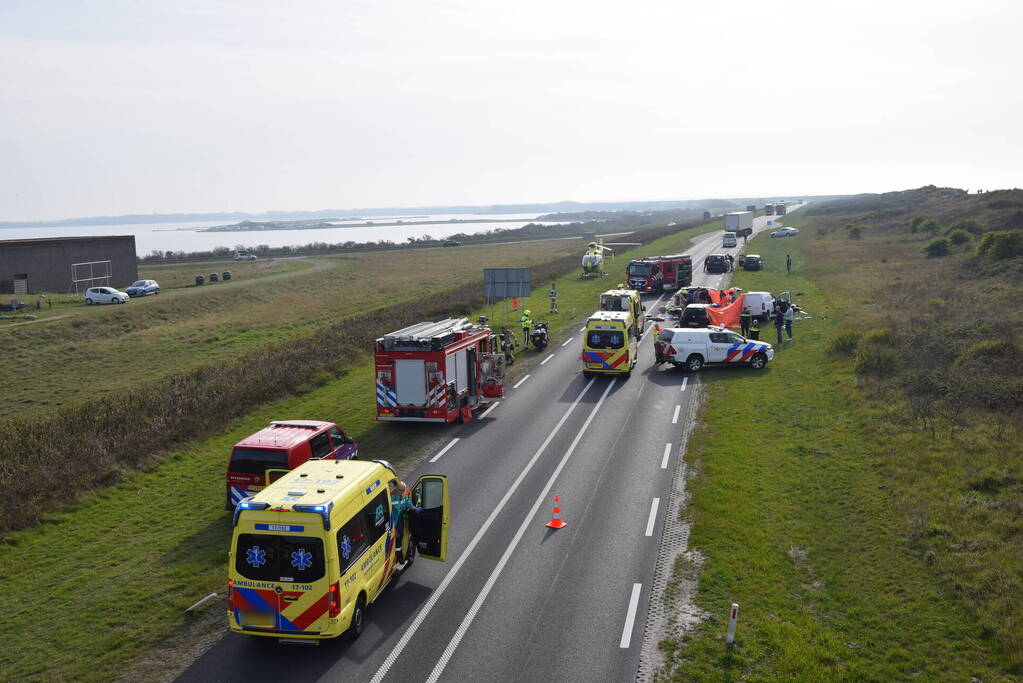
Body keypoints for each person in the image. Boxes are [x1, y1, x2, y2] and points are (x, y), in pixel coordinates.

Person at [389, 480, 414, 563]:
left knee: (401, 536)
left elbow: (407, 502)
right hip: (393, 521)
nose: (401, 492)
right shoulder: (391, 497)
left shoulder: (403, 496)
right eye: (400, 490)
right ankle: (399, 556)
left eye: (403, 490)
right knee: (397, 537)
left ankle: (399, 553)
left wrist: (414, 508)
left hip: (400, 518)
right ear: (396, 489)